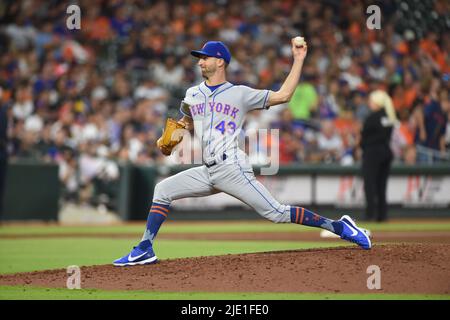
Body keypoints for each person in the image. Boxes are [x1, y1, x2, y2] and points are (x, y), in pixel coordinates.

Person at [113, 38, 372, 267]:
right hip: (208, 169)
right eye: (199, 58)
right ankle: (145, 249)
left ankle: (340, 226)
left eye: (205, 57)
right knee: (162, 190)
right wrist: (171, 137)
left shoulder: (240, 94)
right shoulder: (192, 93)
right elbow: (186, 122)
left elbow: (284, 96)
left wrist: (298, 59)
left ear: (221, 62)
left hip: (232, 167)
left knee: (277, 213)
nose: (200, 62)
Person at [360, 90, 398, 222]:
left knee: (370, 184)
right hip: (386, 153)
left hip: (372, 153)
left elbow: (364, 138)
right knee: (382, 186)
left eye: (371, 101)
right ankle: (382, 214)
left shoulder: (372, 118)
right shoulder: (389, 117)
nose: (370, 104)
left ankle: (370, 214)